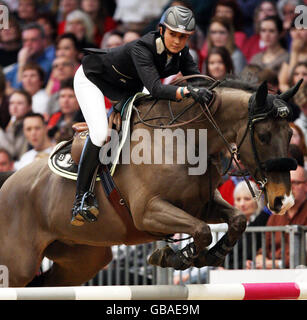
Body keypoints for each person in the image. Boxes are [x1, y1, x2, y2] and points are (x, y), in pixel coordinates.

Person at [71, 5, 213, 226]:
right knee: (100, 134)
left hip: (128, 87)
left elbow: (196, 79)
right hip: (93, 79)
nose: (177, 41)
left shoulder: (183, 53)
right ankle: (81, 198)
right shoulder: (142, 47)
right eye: (173, 34)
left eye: (183, 37)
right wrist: (187, 91)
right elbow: (156, 88)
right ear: (161, 30)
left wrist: (213, 92)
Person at [247, 165, 307, 269]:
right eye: (286, 184)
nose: (289, 187)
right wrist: (259, 259)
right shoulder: (275, 215)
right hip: (274, 275)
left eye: (294, 183)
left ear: (306, 186)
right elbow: (264, 249)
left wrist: (279, 264)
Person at [227, 181, 269, 269]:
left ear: (257, 200)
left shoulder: (264, 220)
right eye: (238, 200)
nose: (242, 204)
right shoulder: (230, 224)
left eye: (247, 199)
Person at [4, 23, 55, 89]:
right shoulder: (19, 64)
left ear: (43, 41)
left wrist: (22, 64)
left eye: (33, 40)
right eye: (25, 41)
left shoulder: (49, 65)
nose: (28, 44)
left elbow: (20, 89)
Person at [0, 90, 32, 160]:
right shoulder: (13, 122)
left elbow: (14, 154)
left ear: (29, 106)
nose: (14, 107)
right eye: (11, 103)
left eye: (19, 103)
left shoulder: (30, 124)